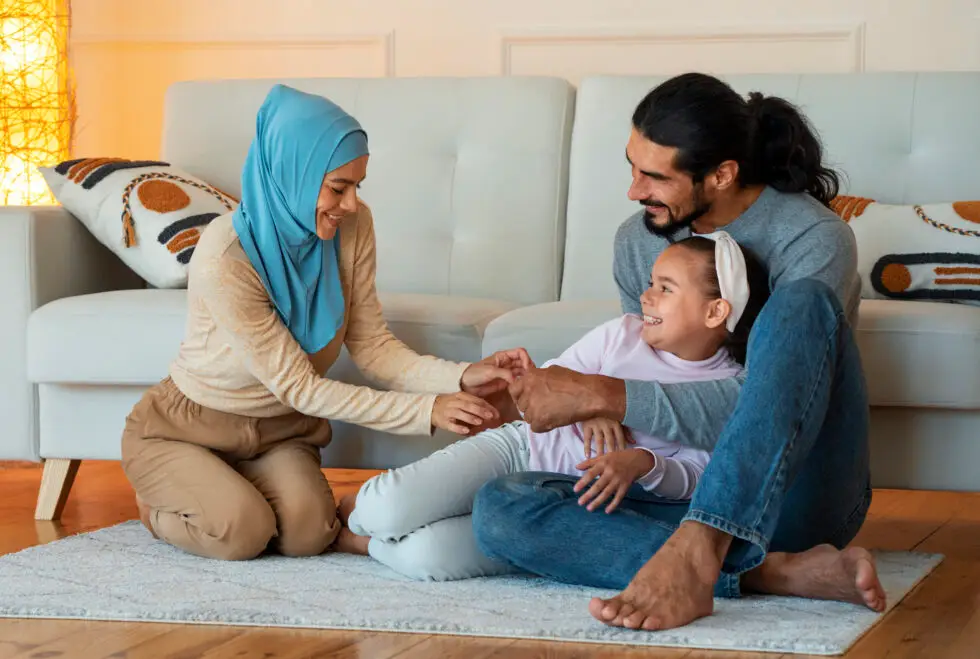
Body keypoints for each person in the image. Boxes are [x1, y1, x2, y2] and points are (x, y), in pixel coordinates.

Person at [470, 72, 886, 630]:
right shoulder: (638, 239)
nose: (634, 190)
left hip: (795, 494)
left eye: (654, 176)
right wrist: (582, 409)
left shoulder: (811, 238)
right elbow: (644, 373)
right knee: (502, 507)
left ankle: (702, 547)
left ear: (721, 175)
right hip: (675, 484)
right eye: (632, 166)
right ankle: (767, 573)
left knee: (801, 304)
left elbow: (776, 409)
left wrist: (602, 394)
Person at [120, 84, 524, 561]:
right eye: (338, 187)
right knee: (242, 535)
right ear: (292, 173)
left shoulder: (352, 227)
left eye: (357, 186)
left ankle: (236, 488)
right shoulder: (225, 255)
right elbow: (299, 386)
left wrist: (460, 376)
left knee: (309, 534)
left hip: (279, 431)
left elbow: (373, 346)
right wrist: (426, 410)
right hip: (187, 428)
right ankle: (158, 505)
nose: (351, 204)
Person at [333, 232, 770, 581]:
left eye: (665, 288)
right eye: (652, 283)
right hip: (523, 451)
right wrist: (595, 405)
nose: (647, 295)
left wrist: (643, 462)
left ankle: (364, 542)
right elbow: (552, 381)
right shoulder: (623, 334)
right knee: (383, 510)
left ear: (714, 312)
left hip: (567, 508)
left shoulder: (724, 389)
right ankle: (358, 514)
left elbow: (696, 476)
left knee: (425, 557)